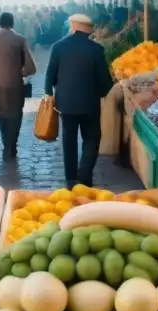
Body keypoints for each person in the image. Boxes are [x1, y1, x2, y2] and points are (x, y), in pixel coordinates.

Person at [45, 14, 114, 187]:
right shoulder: (96, 49)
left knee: (68, 141)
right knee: (92, 138)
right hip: (90, 104)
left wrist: (50, 92)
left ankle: (70, 179)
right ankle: (84, 174)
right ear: (88, 30)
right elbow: (105, 81)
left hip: (65, 104)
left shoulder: (58, 47)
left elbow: (50, 76)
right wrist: (101, 92)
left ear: (72, 26)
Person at [0, 12, 36, 161]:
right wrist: (23, 72)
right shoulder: (20, 39)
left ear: (0, 23)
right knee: (16, 114)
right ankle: (13, 144)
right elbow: (31, 67)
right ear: (12, 23)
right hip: (15, 83)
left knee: (2, 114)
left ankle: (6, 144)